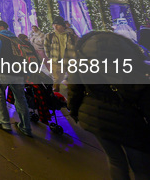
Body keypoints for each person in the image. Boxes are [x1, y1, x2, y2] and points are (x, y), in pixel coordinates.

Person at [68, 31, 150, 179]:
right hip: (131, 121)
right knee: (141, 166)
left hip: (96, 117)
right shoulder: (133, 61)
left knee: (115, 161)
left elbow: (74, 91)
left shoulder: (81, 61)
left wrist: (74, 112)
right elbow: (145, 97)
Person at [44, 16, 78, 92]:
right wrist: (51, 57)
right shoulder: (50, 36)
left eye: (58, 24)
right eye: (54, 24)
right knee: (56, 79)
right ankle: (57, 94)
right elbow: (46, 47)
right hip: (56, 60)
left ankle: (73, 92)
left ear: (63, 26)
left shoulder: (71, 35)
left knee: (72, 77)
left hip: (70, 60)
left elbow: (77, 46)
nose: (55, 26)